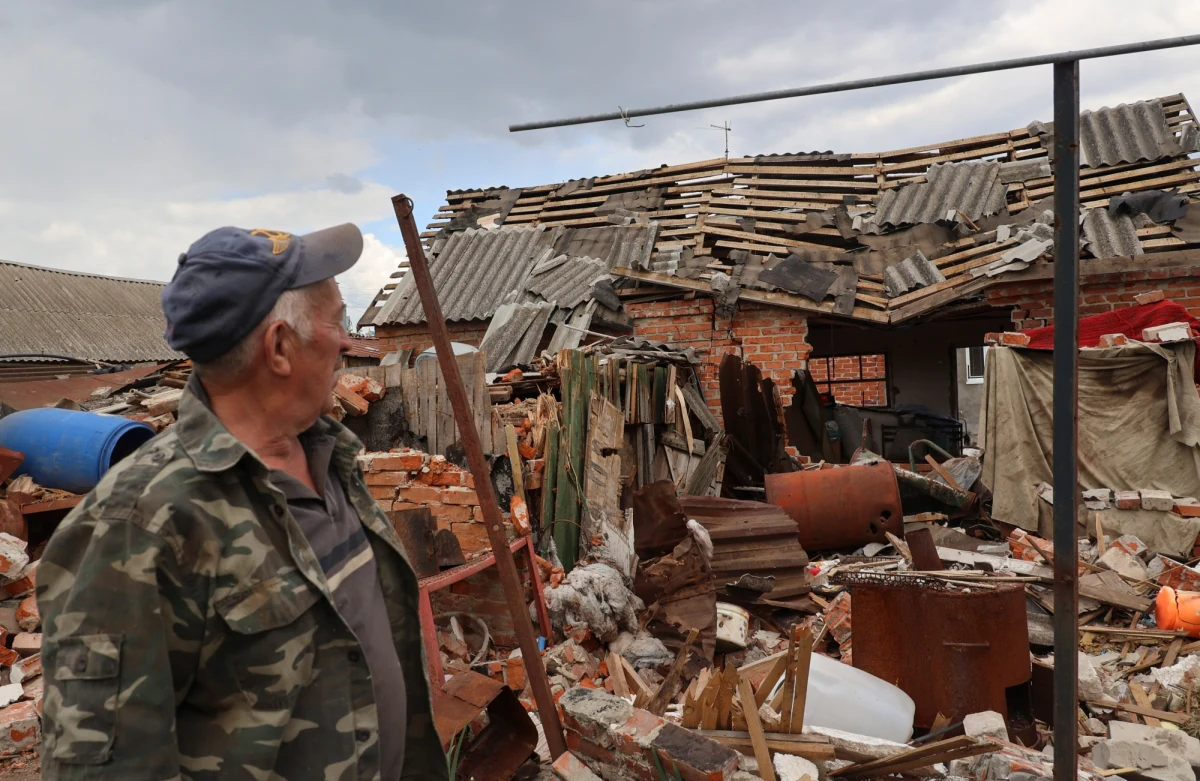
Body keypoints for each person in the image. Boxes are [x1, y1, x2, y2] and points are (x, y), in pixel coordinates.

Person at [36, 225, 446, 780]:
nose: (349, 343)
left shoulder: (329, 456)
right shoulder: (138, 525)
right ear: (279, 347)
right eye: (338, 322)